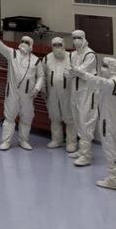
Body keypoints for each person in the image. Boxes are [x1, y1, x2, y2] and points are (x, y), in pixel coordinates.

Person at [0, 28, 41, 150]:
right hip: (12, 92)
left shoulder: (36, 61)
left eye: (27, 42)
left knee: (26, 118)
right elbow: (0, 46)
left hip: (28, 95)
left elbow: (41, 76)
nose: (24, 44)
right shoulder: (12, 54)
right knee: (10, 116)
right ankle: (6, 141)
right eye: (22, 41)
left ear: (31, 46)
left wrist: (37, 88)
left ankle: (23, 141)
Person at [81, 58, 116, 190]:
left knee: (110, 148)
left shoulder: (111, 82)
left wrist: (83, 74)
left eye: (106, 66)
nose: (103, 68)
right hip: (112, 119)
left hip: (109, 121)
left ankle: (113, 180)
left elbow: (100, 82)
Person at [68, 28, 98, 167]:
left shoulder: (89, 54)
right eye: (74, 38)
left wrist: (75, 71)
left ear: (84, 38)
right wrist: (75, 71)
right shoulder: (73, 54)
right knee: (78, 120)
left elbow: (82, 71)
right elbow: (69, 72)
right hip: (75, 91)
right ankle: (82, 150)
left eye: (79, 37)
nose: (76, 41)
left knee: (86, 121)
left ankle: (86, 156)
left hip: (87, 92)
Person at [40, 36, 75, 151]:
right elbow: (42, 75)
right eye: (54, 45)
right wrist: (43, 89)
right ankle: (56, 140)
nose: (57, 47)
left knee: (69, 117)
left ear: (64, 45)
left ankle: (71, 142)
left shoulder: (71, 57)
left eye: (59, 45)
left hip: (68, 92)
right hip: (52, 92)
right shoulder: (47, 59)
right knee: (54, 116)